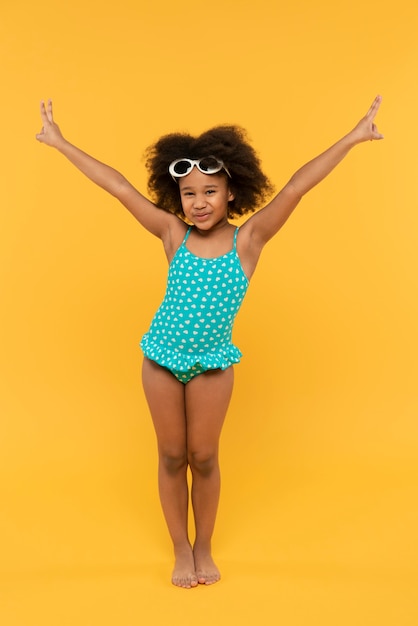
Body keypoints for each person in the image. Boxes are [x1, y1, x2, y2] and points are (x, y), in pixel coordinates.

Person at [36, 96, 383, 588]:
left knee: (204, 455)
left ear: (231, 193)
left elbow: (297, 188)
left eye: (210, 192)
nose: (198, 203)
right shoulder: (172, 234)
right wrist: (61, 142)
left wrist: (351, 137)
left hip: (213, 363)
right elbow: (118, 187)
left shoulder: (250, 241)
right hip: (161, 358)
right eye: (188, 193)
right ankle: (180, 548)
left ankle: (204, 546)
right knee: (172, 454)